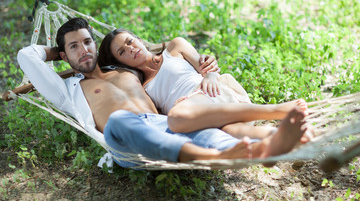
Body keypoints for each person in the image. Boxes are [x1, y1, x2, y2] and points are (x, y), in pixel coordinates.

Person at [17, 17, 307, 169]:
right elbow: (26, 57)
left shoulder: (126, 70)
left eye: (87, 42)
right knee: (119, 120)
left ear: (96, 45)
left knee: (221, 137)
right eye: (74, 47)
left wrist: (208, 68)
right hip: (127, 142)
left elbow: (158, 64)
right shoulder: (67, 89)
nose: (84, 50)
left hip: (166, 128)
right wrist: (57, 52)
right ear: (63, 57)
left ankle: (276, 145)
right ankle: (207, 159)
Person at [97, 29, 310, 140]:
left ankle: (276, 110)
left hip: (207, 94)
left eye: (130, 41)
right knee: (231, 132)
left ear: (138, 39)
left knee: (176, 118)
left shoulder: (174, 47)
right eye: (122, 52)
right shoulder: (140, 87)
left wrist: (210, 76)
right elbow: (153, 117)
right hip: (196, 118)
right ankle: (282, 137)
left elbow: (205, 67)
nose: (131, 49)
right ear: (119, 62)